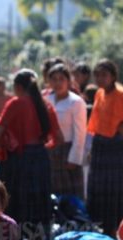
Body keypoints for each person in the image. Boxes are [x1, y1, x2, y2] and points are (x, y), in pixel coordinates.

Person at [0, 69, 63, 240]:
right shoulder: (46, 105)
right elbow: (59, 138)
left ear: (17, 86)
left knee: (15, 200)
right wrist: (44, 149)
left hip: (17, 159)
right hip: (40, 158)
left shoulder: (15, 103)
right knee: (38, 200)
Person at [87, 59, 123, 236]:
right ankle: (102, 225)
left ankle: (113, 229)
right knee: (99, 186)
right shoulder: (99, 93)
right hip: (100, 144)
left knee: (114, 187)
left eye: (103, 74)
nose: (99, 78)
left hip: (114, 145)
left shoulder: (122, 93)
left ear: (113, 76)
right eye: (97, 74)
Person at [46, 63, 87, 199]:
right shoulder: (47, 99)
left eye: (61, 79)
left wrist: (74, 159)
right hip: (50, 151)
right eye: (54, 79)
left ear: (68, 81)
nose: (57, 83)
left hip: (68, 151)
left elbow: (80, 133)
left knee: (70, 195)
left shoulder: (76, 102)